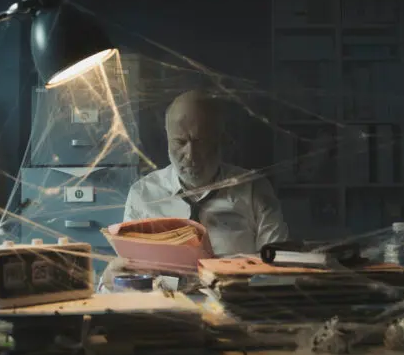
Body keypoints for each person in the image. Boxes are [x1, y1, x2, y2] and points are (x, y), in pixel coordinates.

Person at [123, 90, 289, 256]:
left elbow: (277, 264)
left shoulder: (254, 190)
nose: (190, 155)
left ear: (219, 139)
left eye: (200, 142)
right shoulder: (143, 195)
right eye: (180, 142)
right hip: (163, 283)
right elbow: (128, 270)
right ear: (167, 138)